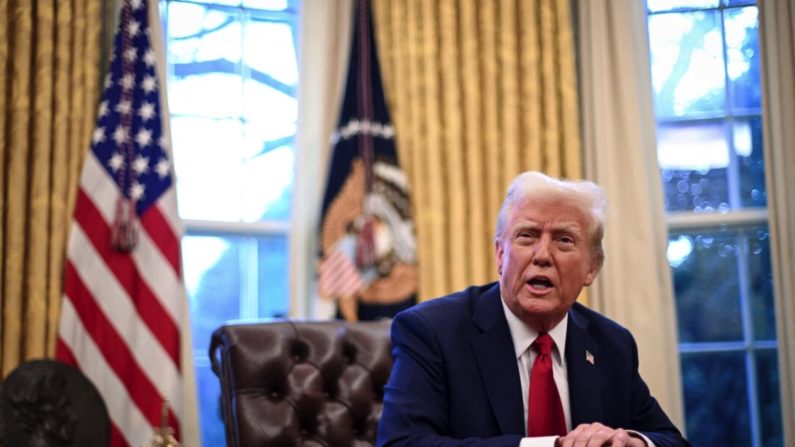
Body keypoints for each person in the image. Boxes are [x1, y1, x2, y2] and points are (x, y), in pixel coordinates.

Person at [376, 171, 690, 447]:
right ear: (500, 254)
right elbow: (403, 442)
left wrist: (632, 441)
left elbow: (671, 439)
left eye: (564, 240)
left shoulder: (612, 345)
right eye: (527, 236)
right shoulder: (432, 332)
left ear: (592, 268)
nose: (542, 255)